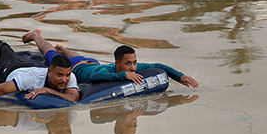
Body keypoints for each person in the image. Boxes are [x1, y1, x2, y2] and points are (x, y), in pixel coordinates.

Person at [21, 28, 200, 88]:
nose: (132, 68)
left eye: (134, 63)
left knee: (78, 56)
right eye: (128, 64)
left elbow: (158, 65)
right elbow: (93, 77)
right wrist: (123, 76)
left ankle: (64, 48)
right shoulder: (107, 71)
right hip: (79, 67)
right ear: (117, 64)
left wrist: (180, 76)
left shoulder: (132, 68)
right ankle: (37, 35)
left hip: (91, 61)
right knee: (49, 53)